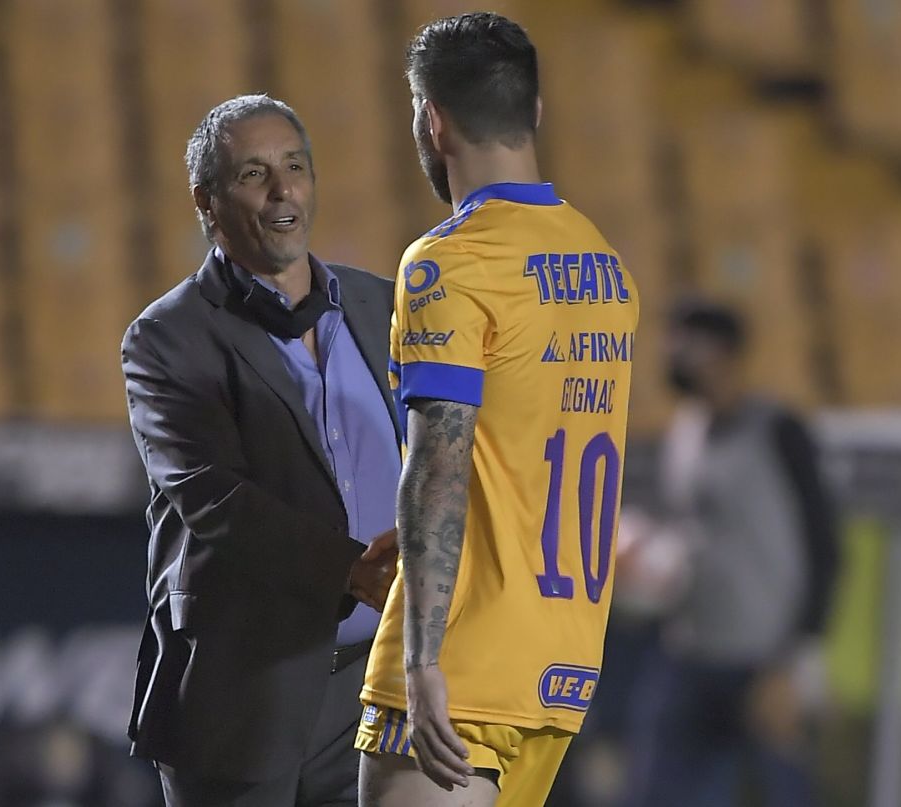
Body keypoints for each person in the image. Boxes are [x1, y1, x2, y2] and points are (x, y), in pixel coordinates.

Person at [355, 13, 640, 806]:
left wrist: (420, 657)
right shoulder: (605, 267)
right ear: (535, 113)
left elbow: (441, 463)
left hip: (463, 657)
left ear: (432, 120)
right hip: (562, 662)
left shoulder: (451, 262)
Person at [121, 94, 401, 807]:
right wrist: (351, 570)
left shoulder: (386, 305)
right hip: (241, 693)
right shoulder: (166, 338)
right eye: (253, 173)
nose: (283, 191)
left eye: (295, 167)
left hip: (378, 688)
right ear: (206, 200)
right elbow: (213, 495)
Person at [620, 299, 840, 807]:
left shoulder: (780, 431)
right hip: (691, 648)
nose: (676, 354)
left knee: (778, 791)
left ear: (726, 353)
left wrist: (798, 662)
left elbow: (823, 545)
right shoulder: (685, 430)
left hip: (764, 661)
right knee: (656, 789)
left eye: (689, 342)